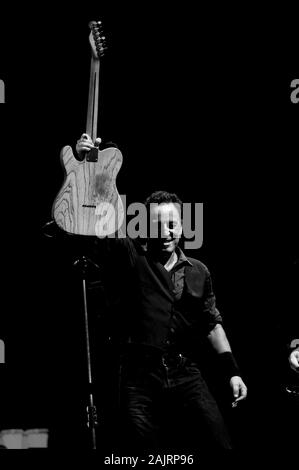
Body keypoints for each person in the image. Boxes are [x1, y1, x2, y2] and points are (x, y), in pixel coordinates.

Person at [74, 133, 248, 454]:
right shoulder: (131, 255)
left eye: (173, 224)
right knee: (145, 455)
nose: (166, 231)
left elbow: (211, 323)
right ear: (147, 226)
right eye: (159, 224)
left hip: (184, 372)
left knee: (221, 446)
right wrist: (87, 166)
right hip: (140, 376)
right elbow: (93, 216)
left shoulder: (198, 270)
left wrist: (232, 372)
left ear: (182, 225)